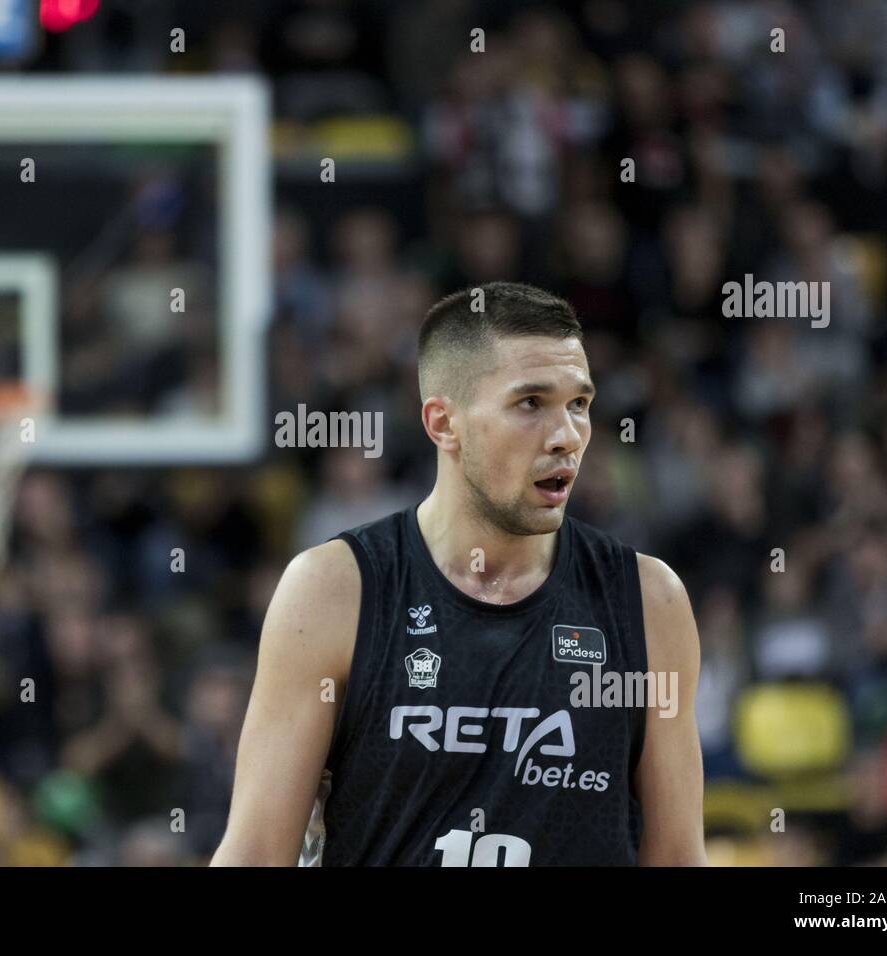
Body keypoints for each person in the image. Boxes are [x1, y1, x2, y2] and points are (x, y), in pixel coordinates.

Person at [212, 282, 706, 866]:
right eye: (530, 403)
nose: (568, 436)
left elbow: (677, 857)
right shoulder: (332, 591)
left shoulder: (649, 602)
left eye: (579, 404)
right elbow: (255, 854)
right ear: (443, 423)